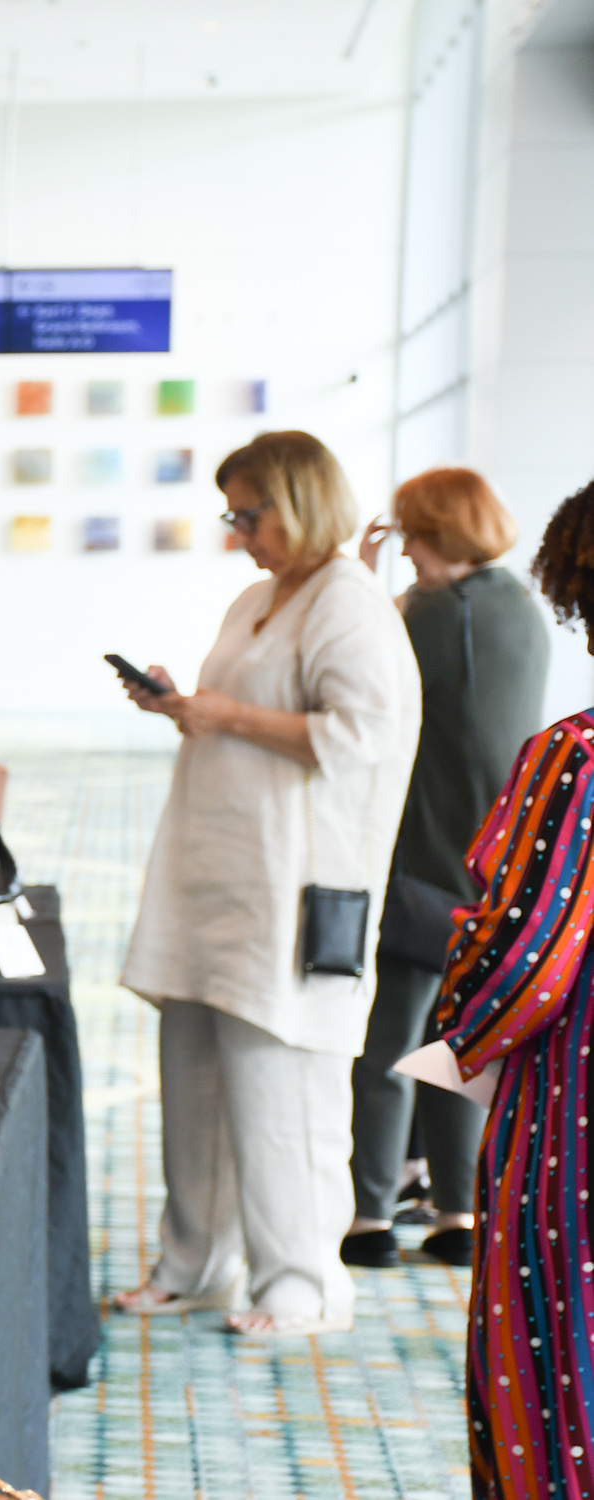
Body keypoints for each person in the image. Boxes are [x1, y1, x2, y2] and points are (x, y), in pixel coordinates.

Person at [111, 430, 420, 1336]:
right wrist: (187, 709)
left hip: (295, 884)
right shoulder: (258, 596)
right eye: (232, 515)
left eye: (254, 514)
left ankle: (300, 1282)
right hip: (216, 872)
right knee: (195, 1073)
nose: (241, 533)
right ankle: (196, 1261)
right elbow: (243, 722)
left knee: (280, 1083)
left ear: (306, 501)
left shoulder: (349, 605)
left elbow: (362, 736)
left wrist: (226, 714)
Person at [341, 468, 548, 1271]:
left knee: (388, 1041)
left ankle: (367, 1218)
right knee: (461, 1046)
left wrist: (363, 580)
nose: (411, 553)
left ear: (438, 536)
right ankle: (457, 1210)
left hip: (419, 864)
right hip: (498, 871)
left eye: (413, 537)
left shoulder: (425, 614)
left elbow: (361, 669)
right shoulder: (522, 610)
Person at [437, 477, 594, 1500]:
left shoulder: (576, 762)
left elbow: (517, 963)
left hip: (572, 1141)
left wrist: (453, 1025)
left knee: (560, 1381)